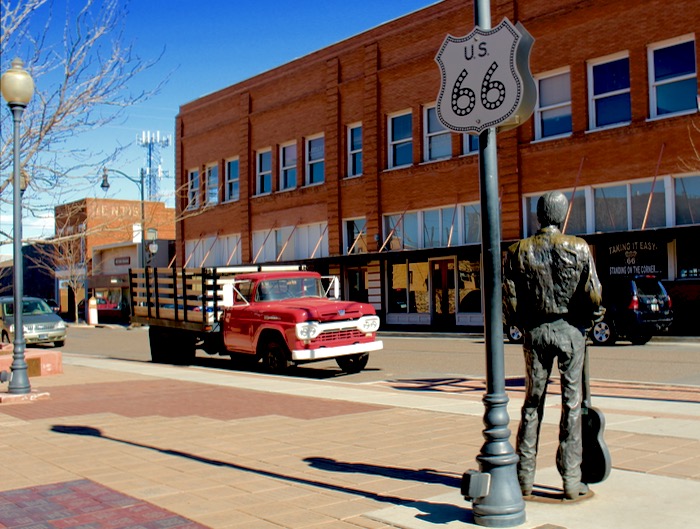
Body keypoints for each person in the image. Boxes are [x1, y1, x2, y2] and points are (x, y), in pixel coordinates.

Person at [503, 191, 604, 500]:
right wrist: (590, 320)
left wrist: (522, 323)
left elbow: (509, 297)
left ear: (539, 216)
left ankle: (524, 479)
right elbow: (595, 294)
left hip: (536, 332)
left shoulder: (519, 250)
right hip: (571, 332)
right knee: (572, 404)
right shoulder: (579, 248)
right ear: (562, 217)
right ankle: (572, 481)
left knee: (532, 404)